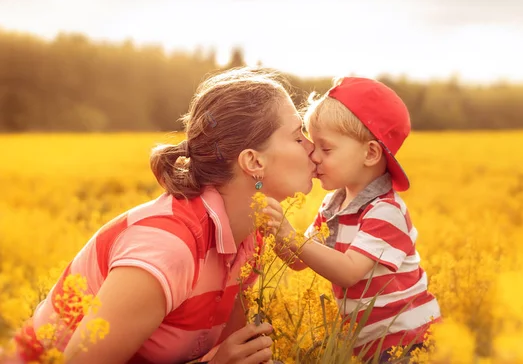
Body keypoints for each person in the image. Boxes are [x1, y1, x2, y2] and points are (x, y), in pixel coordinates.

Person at [22, 68, 316, 364]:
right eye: (298, 137)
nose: (313, 148)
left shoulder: (251, 235)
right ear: (253, 161)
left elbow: (230, 350)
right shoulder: (167, 248)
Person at [263, 77, 441, 363]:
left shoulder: (386, 211)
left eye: (326, 149)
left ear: (370, 153)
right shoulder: (334, 205)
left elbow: (348, 272)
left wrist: (290, 235)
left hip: (410, 342)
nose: (313, 156)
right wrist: (271, 230)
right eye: (312, 144)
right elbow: (298, 259)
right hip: (371, 344)